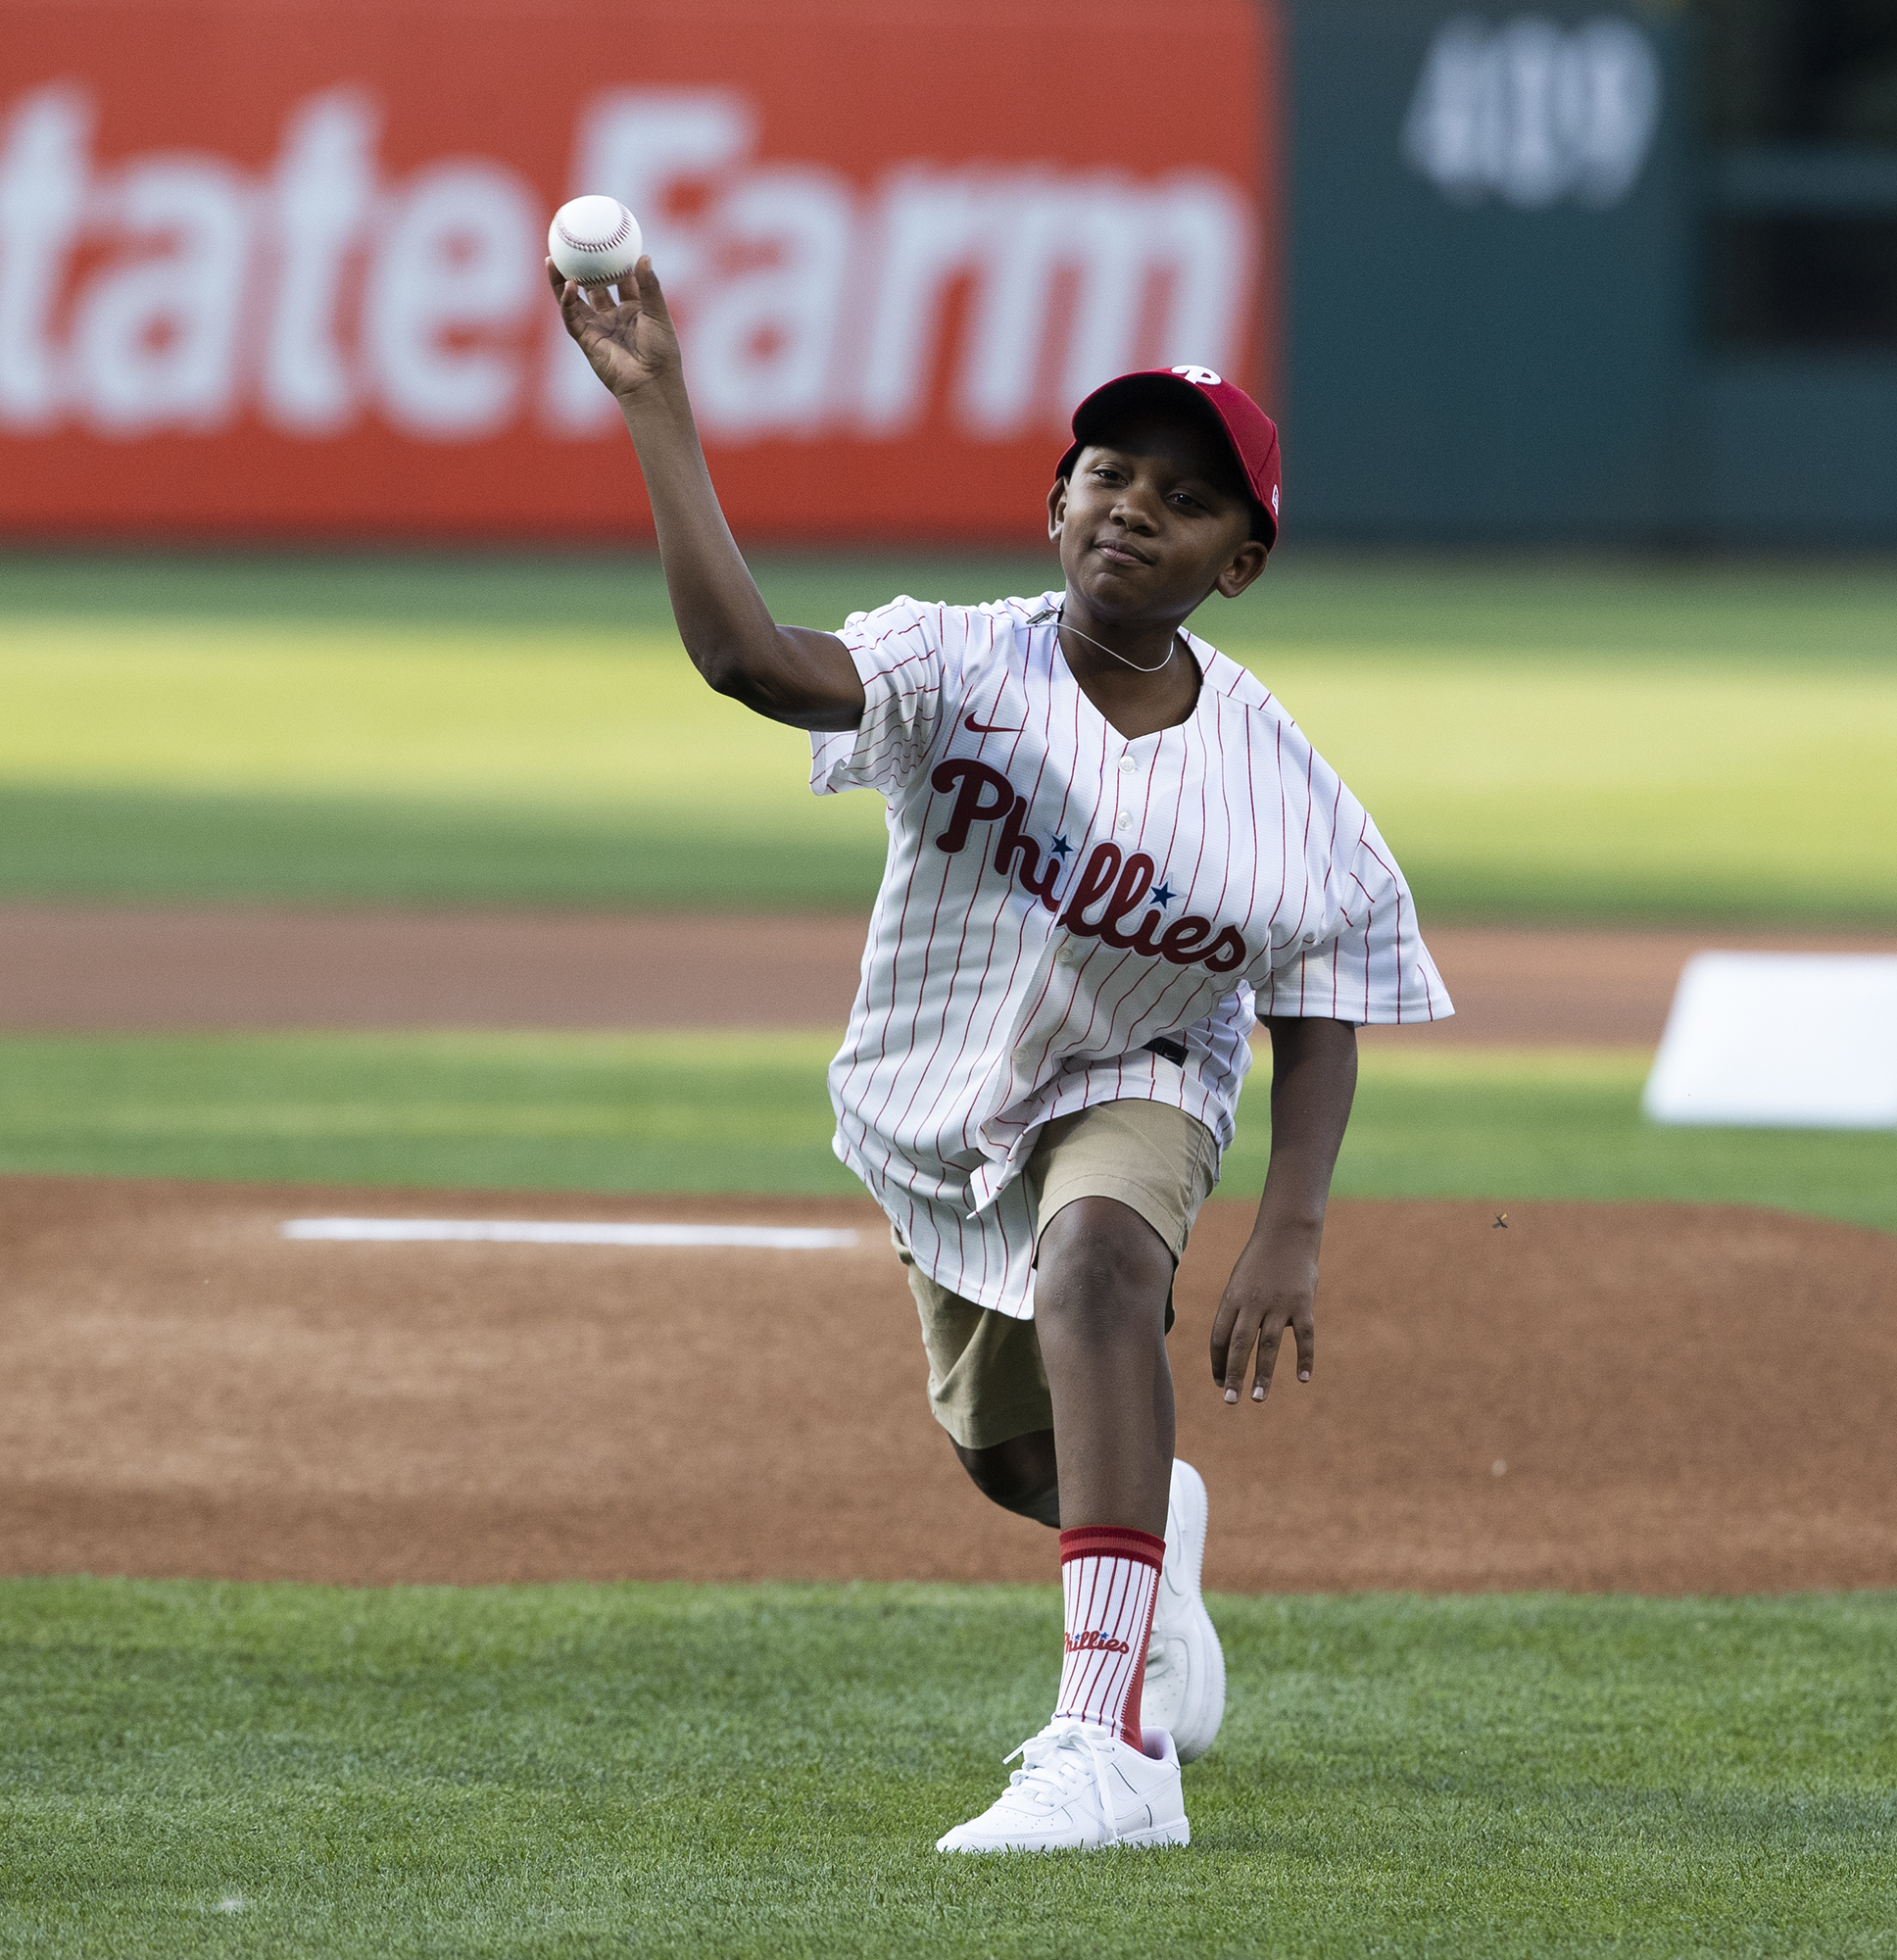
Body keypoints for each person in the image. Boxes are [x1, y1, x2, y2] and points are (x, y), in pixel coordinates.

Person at [551, 252, 1450, 1852]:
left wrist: (1290, 1230)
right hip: (930, 1098)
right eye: (1108, 473)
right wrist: (660, 408)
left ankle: (1107, 1749)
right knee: (1011, 1451)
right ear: (1054, 505)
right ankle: (1147, 1537)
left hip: (1144, 1069)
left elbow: (1327, 989)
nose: (1133, 507)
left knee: (1098, 1270)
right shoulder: (957, 662)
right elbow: (752, 663)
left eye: (1185, 498)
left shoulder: (1282, 785)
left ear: (1239, 563)